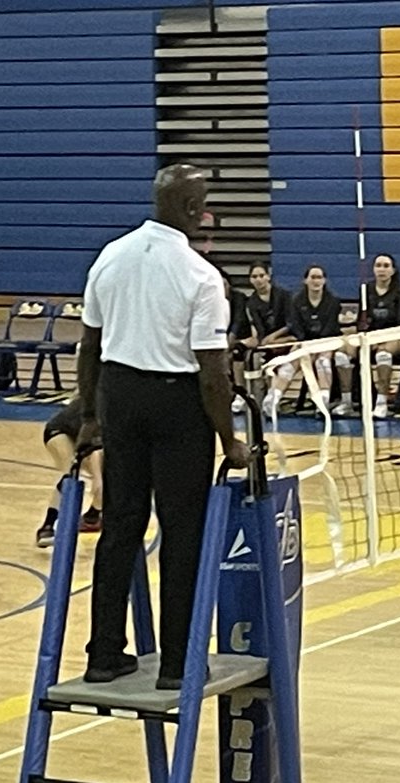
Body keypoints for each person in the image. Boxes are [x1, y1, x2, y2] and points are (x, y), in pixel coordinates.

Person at [77, 163, 250, 691]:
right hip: (177, 407)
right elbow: (212, 374)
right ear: (194, 211)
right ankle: (178, 663)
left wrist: (89, 417)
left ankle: (104, 654)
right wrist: (229, 441)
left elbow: (88, 347)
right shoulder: (201, 276)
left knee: (121, 526)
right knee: (182, 534)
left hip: (119, 397)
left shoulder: (111, 255)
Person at [261, 265, 354, 418]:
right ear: (305, 280)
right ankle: (273, 399)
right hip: (305, 342)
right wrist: (305, 343)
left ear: (324, 280)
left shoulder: (333, 301)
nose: (316, 281)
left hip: (327, 341)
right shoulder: (296, 300)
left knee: (322, 362)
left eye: (319, 277)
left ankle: (322, 402)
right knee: (291, 362)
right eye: (312, 277)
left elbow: (331, 327)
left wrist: (317, 346)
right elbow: (295, 326)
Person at [36, 395, 103, 548]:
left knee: (111, 478)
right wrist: (97, 479)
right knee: (71, 473)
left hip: (83, 437)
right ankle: (47, 526)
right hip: (59, 431)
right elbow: (95, 451)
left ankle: (92, 517)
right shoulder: (105, 406)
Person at [229, 262, 290, 413]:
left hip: (287, 336)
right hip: (266, 339)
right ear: (250, 280)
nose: (258, 279)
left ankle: (272, 395)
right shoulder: (251, 302)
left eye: (261, 275)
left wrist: (274, 336)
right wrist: (264, 339)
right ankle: (242, 394)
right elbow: (259, 328)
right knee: (238, 352)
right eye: (254, 276)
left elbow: (291, 323)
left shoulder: (283, 295)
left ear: (268, 277)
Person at [358, 253, 400, 418]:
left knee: (383, 352)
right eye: (378, 265)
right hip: (373, 338)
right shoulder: (366, 290)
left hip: (398, 339)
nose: (382, 269)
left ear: (393, 270)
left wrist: (380, 338)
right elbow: (361, 320)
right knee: (343, 353)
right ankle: (347, 401)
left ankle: (381, 403)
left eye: (386, 266)